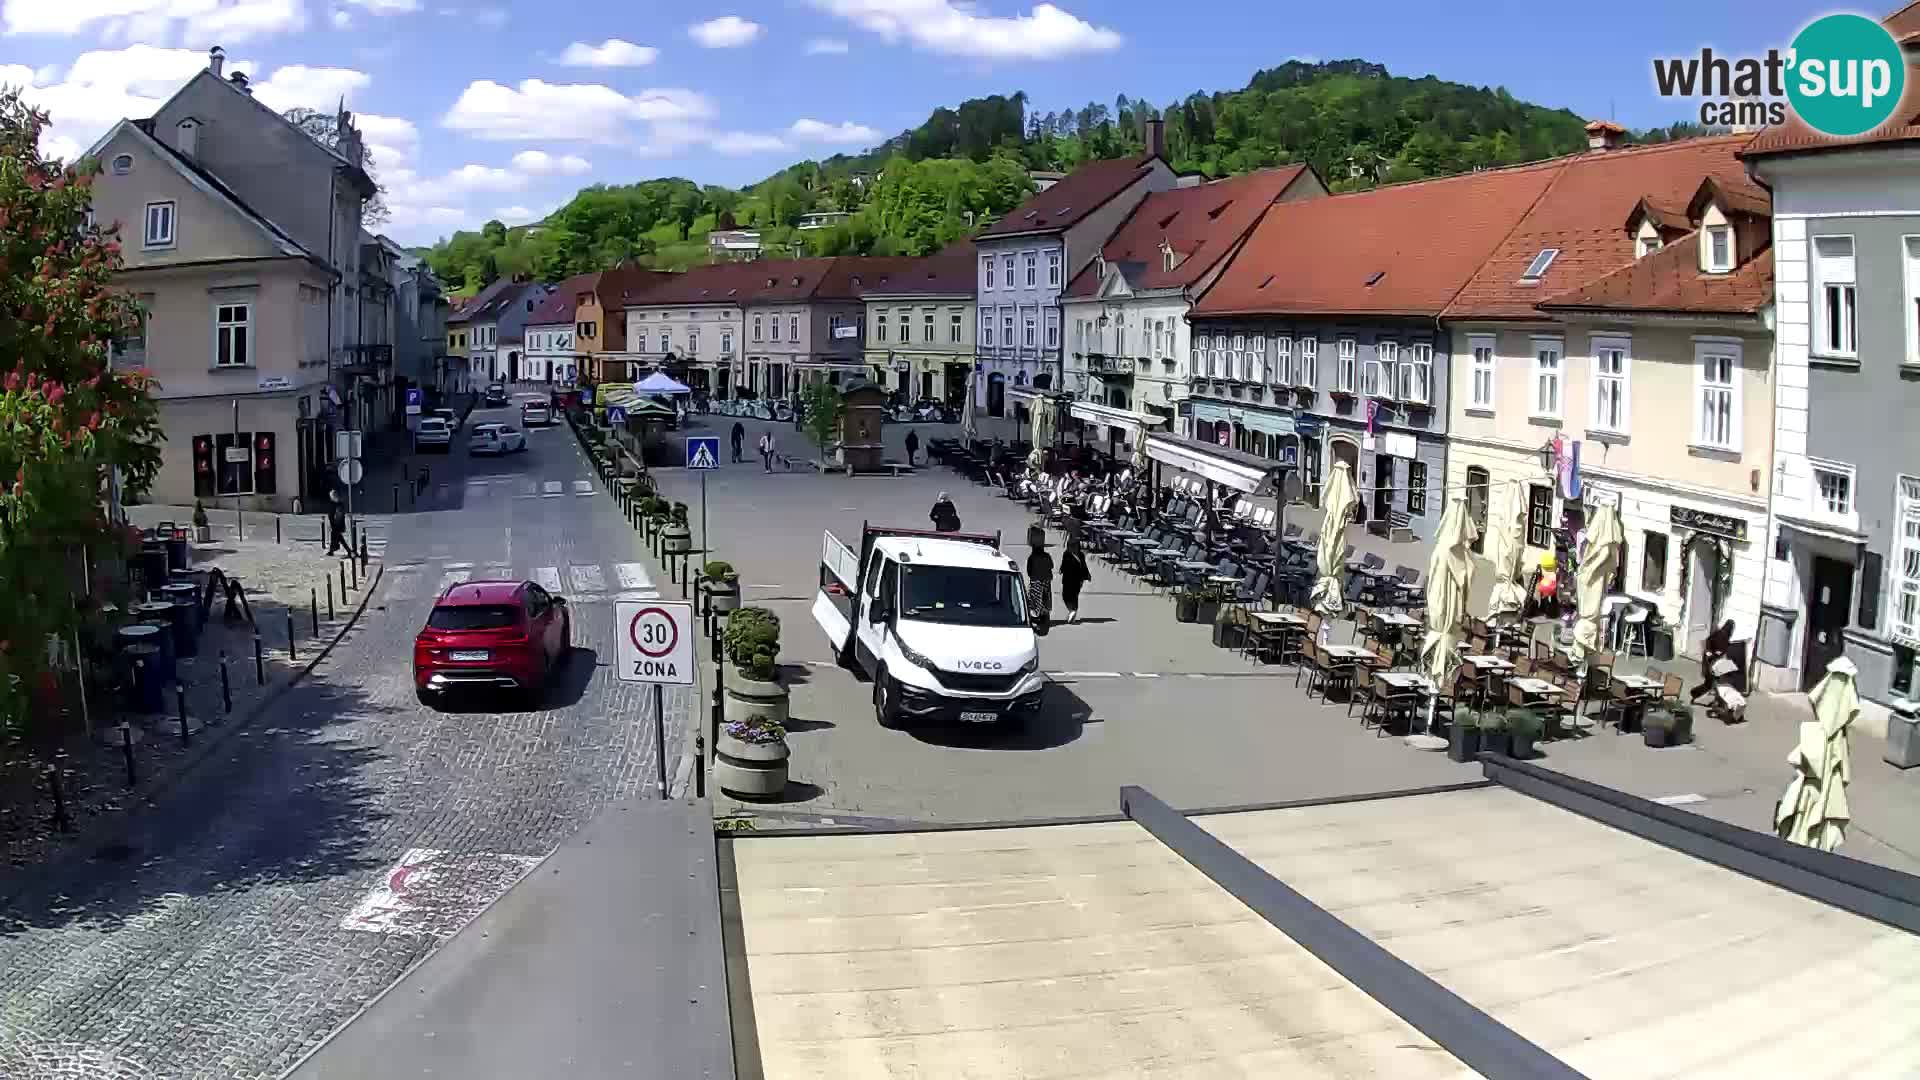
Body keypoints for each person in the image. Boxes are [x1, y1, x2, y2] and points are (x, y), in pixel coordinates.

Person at [1691, 620, 1737, 704]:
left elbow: (1709, 641)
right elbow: (1718, 647)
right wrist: (1713, 652)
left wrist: (1710, 651)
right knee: (1710, 683)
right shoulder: (1723, 636)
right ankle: (1695, 694)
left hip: (1711, 660)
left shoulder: (1719, 633)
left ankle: (1696, 694)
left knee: (1710, 683)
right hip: (1711, 661)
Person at [1026, 537, 1054, 633]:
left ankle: (1035, 616)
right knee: (1045, 599)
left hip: (1036, 581)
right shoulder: (1047, 556)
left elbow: (1029, 570)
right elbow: (1051, 566)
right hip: (1046, 581)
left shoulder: (1032, 557)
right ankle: (1043, 616)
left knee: (1034, 599)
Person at [1060, 535, 1091, 624]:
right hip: (1074, 580)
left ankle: (1072, 611)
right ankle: (1073, 611)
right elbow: (1083, 566)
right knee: (1071, 596)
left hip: (1072, 580)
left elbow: (1083, 566)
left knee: (1069, 596)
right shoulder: (1070, 554)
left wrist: (1086, 576)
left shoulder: (1070, 554)